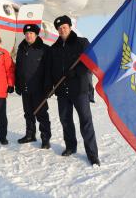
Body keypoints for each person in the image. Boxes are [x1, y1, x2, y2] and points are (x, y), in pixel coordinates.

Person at [47, 15, 100, 166]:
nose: (62, 30)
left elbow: (92, 62)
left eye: (64, 27)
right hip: (62, 91)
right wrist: (50, 86)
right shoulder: (54, 48)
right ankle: (71, 146)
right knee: (65, 120)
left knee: (85, 121)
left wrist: (75, 73)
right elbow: (51, 70)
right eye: (59, 28)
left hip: (80, 90)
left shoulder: (82, 43)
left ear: (70, 27)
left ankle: (92, 154)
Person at [15, 24, 51, 149]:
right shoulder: (21, 49)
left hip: (39, 89)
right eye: (27, 34)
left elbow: (49, 70)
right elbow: (18, 68)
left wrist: (48, 87)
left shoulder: (45, 49)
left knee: (41, 114)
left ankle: (45, 138)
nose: (29, 36)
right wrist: (18, 84)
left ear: (36, 35)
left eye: (31, 33)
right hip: (25, 87)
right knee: (28, 113)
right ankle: (30, 134)